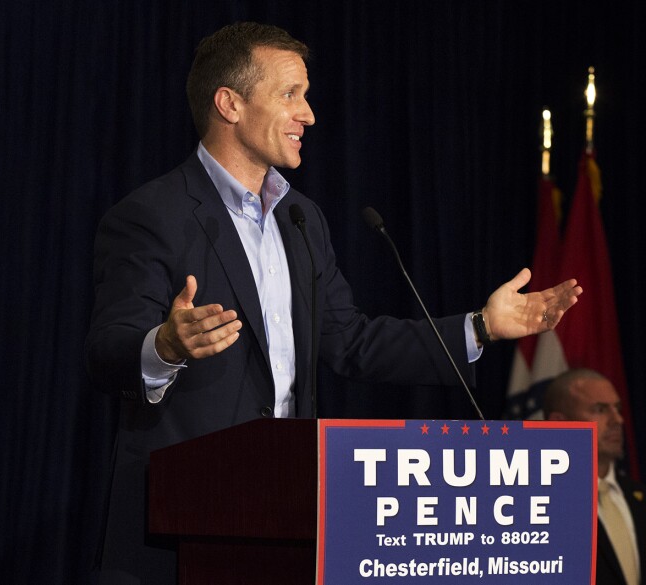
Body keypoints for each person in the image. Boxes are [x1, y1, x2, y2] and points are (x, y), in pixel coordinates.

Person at [85, 22, 583, 585]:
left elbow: (351, 342)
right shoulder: (153, 215)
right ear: (229, 103)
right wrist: (165, 346)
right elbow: (106, 352)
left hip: (284, 521)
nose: (310, 114)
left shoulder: (302, 219)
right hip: (179, 532)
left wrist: (481, 327)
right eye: (290, 94)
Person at [544, 369, 645, 585]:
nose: (618, 420)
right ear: (559, 424)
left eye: (617, 409)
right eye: (600, 410)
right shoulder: (540, 507)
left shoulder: (639, 496)